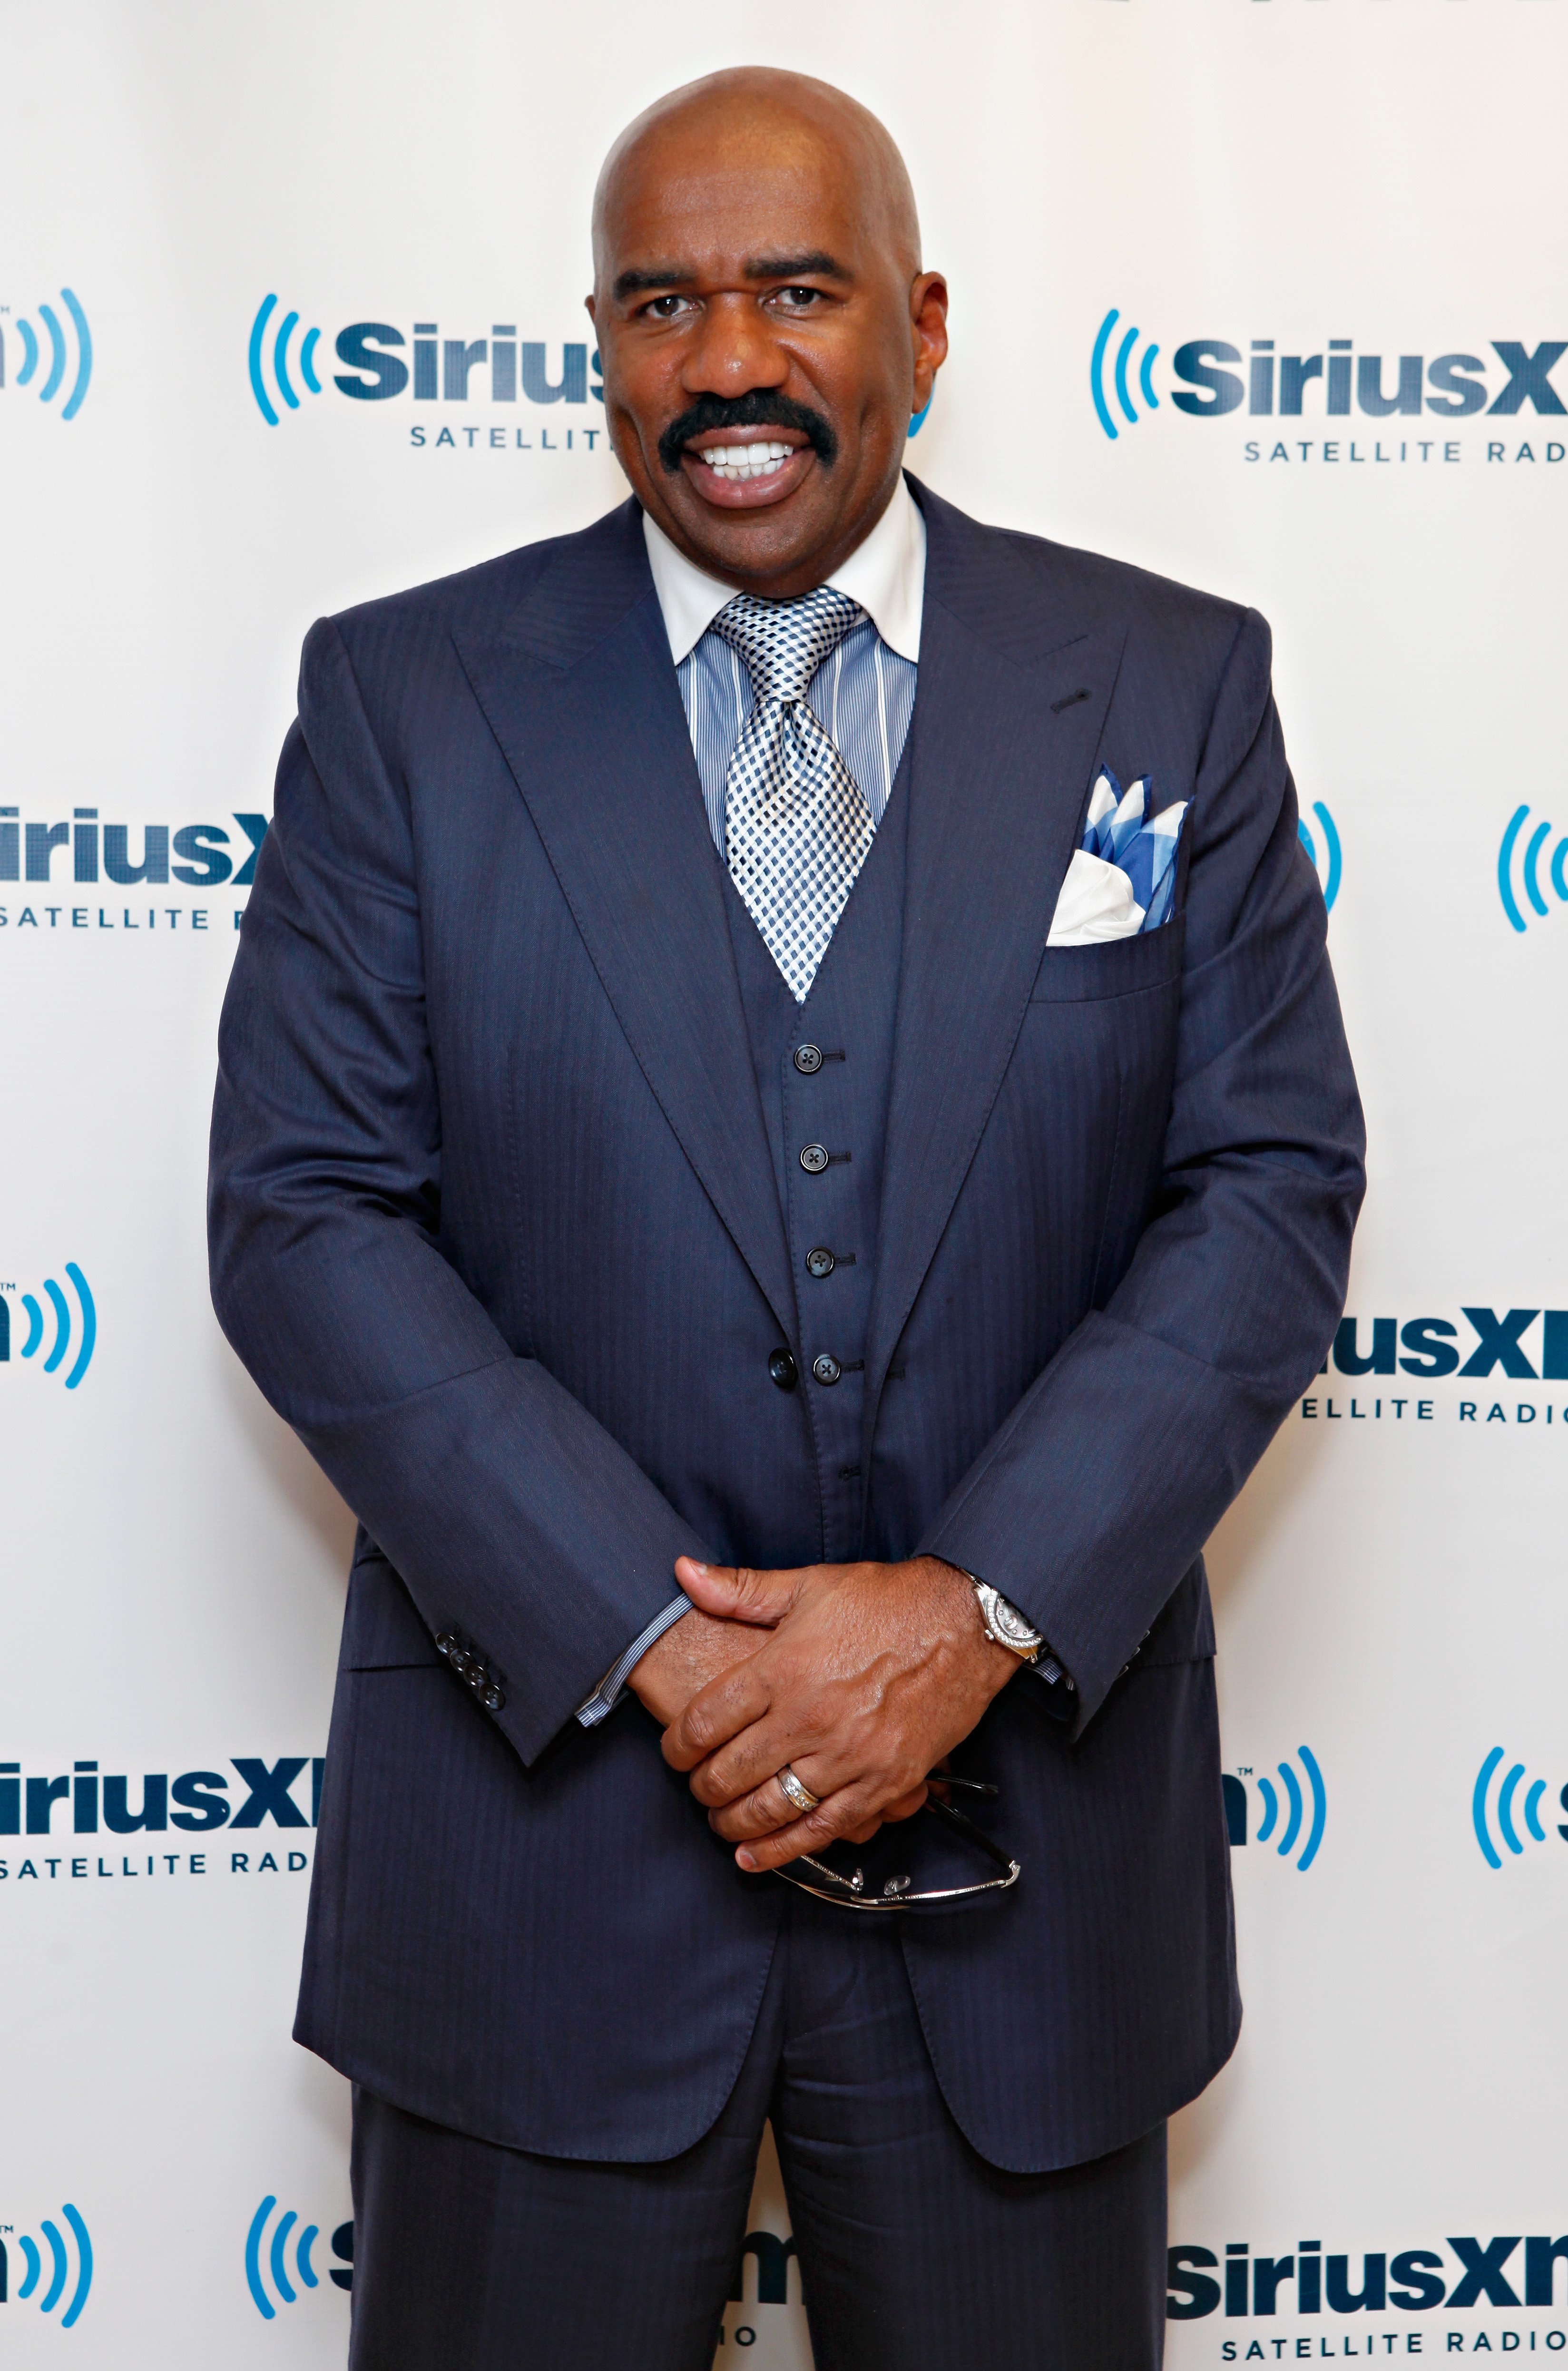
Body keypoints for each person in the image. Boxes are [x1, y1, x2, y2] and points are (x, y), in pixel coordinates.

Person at [208, 64, 1364, 2371]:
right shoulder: (403, 697)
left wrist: (968, 1610)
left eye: (795, 290)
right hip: (537, 1883)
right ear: (601, 348)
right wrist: (676, 1649)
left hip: (1014, 1891)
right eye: (660, 304)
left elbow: (1261, 1183)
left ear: (920, 327)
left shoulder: (1165, 680)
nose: (727, 361)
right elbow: (309, 1212)